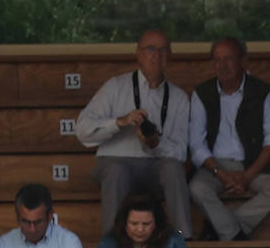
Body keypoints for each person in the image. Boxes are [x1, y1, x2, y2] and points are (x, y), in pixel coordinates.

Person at [74, 28, 192, 237]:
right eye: (150, 49)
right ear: (138, 54)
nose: (157, 54)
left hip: (155, 165)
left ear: (170, 57)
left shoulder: (179, 97)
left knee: (173, 168)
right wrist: (120, 122)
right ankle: (112, 244)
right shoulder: (115, 87)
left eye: (164, 50)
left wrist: (155, 143)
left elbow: (181, 152)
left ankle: (184, 239)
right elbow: (82, 131)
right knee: (116, 171)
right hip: (115, 162)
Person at [188, 37, 270, 242]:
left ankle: (220, 226)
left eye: (229, 59)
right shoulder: (202, 94)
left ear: (243, 60)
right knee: (196, 188)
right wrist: (221, 173)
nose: (222, 66)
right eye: (217, 60)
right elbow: (196, 144)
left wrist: (247, 175)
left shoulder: (264, 93)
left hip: (253, 165)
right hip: (215, 166)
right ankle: (234, 234)